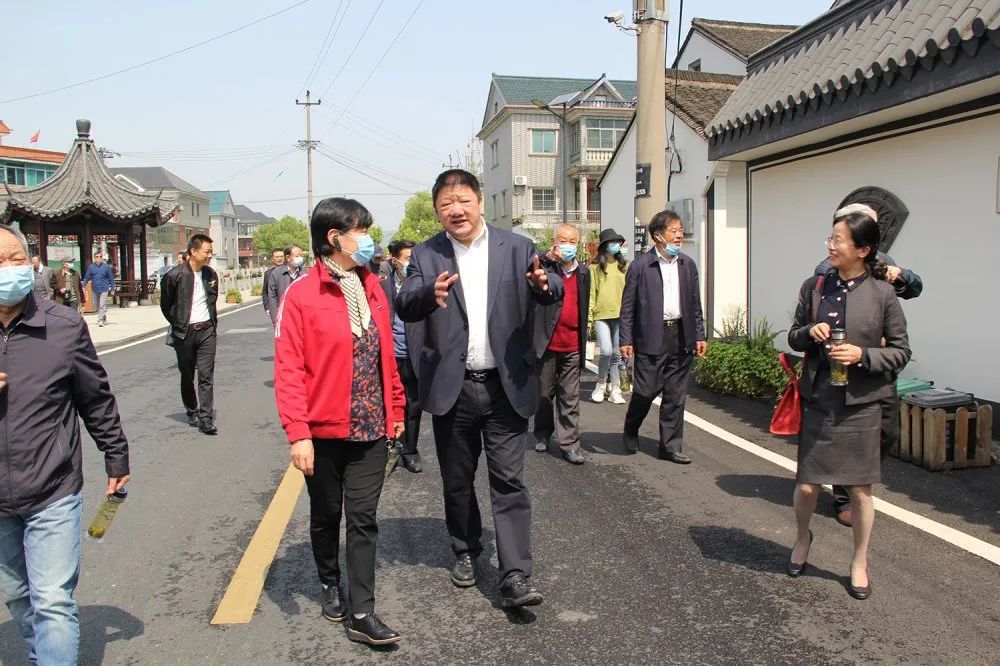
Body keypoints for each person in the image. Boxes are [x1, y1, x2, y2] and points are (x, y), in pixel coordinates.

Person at [396, 169, 562, 607]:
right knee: (457, 479)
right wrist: (428, 293)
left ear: (480, 202)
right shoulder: (426, 255)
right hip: (453, 388)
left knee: (509, 481)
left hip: (505, 385)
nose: (456, 210)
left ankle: (516, 574)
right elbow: (405, 302)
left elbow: (553, 284)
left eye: (463, 200)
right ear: (437, 211)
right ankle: (466, 549)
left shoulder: (517, 247)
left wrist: (545, 286)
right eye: (446, 204)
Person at [274, 197, 404, 646]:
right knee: (328, 514)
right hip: (324, 431)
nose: (368, 238)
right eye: (361, 231)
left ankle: (362, 612)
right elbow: (289, 369)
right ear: (335, 238)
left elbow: (385, 357)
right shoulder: (301, 295)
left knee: (364, 518)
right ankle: (329, 582)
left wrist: (396, 410)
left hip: (371, 428)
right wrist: (299, 434)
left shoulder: (374, 288)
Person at [0, 224, 130, 665]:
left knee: (53, 599)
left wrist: (116, 455)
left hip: (52, 487)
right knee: (19, 596)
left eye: (17, 259)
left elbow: (94, 396)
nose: (9, 268)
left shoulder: (63, 325)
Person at [786, 207, 910, 600]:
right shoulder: (815, 287)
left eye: (838, 240)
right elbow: (793, 335)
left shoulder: (883, 294)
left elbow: (902, 352)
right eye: (831, 238)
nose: (831, 245)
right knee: (808, 486)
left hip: (862, 403)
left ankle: (859, 560)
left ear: (863, 249)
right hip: (820, 398)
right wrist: (809, 331)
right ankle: (802, 537)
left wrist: (863, 355)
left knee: (859, 490)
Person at [812, 204, 924, 528]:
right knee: (846, 431)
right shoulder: (828, 268)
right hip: (844, 366)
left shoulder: (881, 260)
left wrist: (898, 275)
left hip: (880, 362)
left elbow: (915, 287)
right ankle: (845, 495)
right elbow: (818, 309)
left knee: (886, 432)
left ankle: (855, 481)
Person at [620, 211, 707, 463]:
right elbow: (628, 307)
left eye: (680, 230)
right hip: (651, 335)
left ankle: (670, 447)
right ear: (658, 236)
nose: (679, 235)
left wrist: (699, 334)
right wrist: (626, 339)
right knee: (645, 391)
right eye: (673, 230)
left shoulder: (687, 265)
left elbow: (695, 304)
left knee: (675, 395)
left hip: (681, 334)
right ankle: (631, 427)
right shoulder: (641, 265)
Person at [532, 223, 590, 464]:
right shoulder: (545, 268)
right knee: (543, 395)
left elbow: (583, 305)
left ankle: (570, 445)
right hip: (547, 343)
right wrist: (547, 258)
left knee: (570, 397)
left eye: (572, 242)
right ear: (554, 242)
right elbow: (531, 266)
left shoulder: (583, 272)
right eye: (563, 241)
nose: (568, 246)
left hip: (572, 344)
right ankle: (542, 433)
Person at [160, 234, 220, 435]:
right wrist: (178, 323)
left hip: (207, 331)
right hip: (184, 333)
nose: (210, 255)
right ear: (193, 251)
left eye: (211, 252)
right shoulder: (174, 276)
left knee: (206, 374)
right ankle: (192, 410)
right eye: (207, 252)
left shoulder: (210, 274)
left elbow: (212, 302)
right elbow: (166, 305)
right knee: (187, 375)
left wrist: (212, 324)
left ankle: (206, 418)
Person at [383, 239, 425, 473]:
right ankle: (390, 448)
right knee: (388, 404)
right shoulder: (381, 287)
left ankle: (410, 450)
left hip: (413, 356)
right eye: (408, 258)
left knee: (413, 406)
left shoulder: (423, 285)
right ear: (394, 260)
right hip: (389, 356)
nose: (412, 263)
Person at [589, 228, 629, 405]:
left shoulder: (625, 266)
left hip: (621, 315)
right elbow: (591, 294)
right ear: (605, 245)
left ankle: (615, 389)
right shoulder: (595, 268)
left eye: (618, 242)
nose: (616, 245)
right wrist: (589, 319)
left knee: (616, 354)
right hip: (601, 315)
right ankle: (600, 384)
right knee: (605, 351)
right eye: (613, 242)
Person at [267, 244, 306, 324]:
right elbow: (272, 297)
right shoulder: (276, 273)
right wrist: (275, 319)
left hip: (303, 317)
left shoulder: (306, 273)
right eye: (297, 256)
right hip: (284, 317)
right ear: (288, 258)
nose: (300, 258)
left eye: (301, 256)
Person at [82, 251, 116, 327]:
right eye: (97, 257)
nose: (99, 258)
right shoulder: (91, 267)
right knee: (97, 306)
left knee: (102, 305)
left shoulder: (106, 267)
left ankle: (100, 320)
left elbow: (111, 278)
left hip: (104, 289)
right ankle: (103, 317)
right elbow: (87, 277)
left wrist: (113, 288)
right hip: (95, 289)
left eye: (100, 256)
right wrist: (83, 286)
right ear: (94, 258)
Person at [262, 248, 285, 321]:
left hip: (288, 306)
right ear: (273, 259)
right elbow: (265, 292)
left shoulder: (290, 271)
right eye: (277, 257)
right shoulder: (268, 273)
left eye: (281, 256)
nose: (279, 259)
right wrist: (267, 307)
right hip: (274, 306)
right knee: (277, 325)